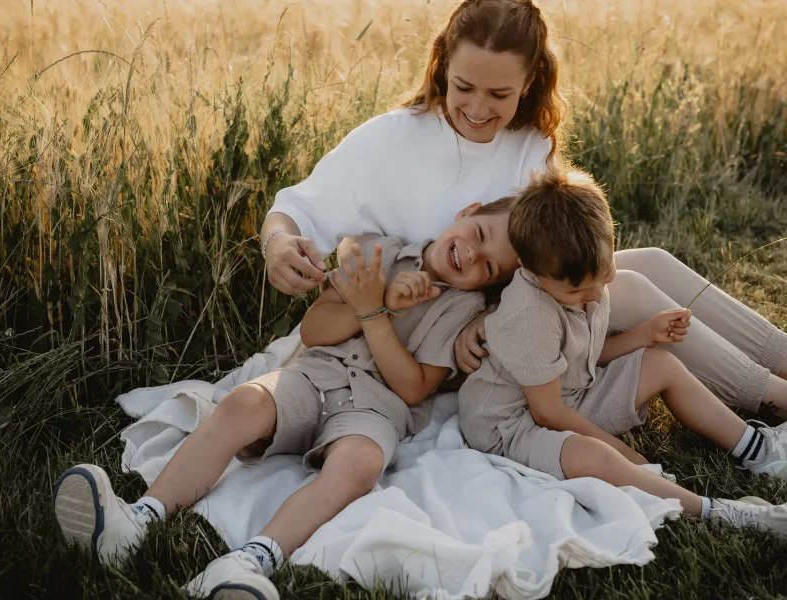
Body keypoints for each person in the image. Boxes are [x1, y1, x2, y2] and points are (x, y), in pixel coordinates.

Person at [258, 0, 787, 419]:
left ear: (529, 83)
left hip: (503, 317)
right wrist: (278, 244)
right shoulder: (388, 139)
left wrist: (488, 316)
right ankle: (771, 395)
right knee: (626, 286)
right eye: (464, 86)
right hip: (444, 343)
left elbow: (548, 255)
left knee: (646, 261)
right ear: (443, 65)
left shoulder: (529, 144)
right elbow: (292, 211)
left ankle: (780, 359)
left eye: (499, 93)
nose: (478, 109)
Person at [52, 201, 520, 599]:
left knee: (360, 464)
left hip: (376, 410)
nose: (472, 254)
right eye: (479, 234)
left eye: (489, 266)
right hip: (314, 375)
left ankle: (250, 561)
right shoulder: (382, 252)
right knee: (243, 403)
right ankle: (138, 520)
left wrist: (380, 315)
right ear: (468, 212)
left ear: (492, 284)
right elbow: (315, 330)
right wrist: (371, 303)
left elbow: (414, 388)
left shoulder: (466, 310)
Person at [458, 167, 787, 533]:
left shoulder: (582, 277)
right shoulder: (530, 314)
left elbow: (582, 357)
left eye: (606, 276)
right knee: (594, 454)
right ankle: (721, 513)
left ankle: (759, 451)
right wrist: (622, 453)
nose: (596, 295)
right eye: (579, 293)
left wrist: (645, 334)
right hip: (512, 423)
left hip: (569, 391)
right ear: (530, 271)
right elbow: (547, 412)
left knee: (661, 363)